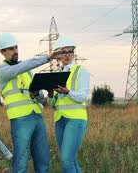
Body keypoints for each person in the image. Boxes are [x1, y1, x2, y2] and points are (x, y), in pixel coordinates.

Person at [0, 32, 62, 173]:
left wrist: (38, 93)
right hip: (20, 120)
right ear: (2, 52)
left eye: (16, 47)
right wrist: (47, 58)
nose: (15, 51)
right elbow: (23, 67)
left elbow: (40, 98)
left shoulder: (26, 71)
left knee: (43, 158)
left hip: (37, 116)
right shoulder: (2, 72)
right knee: (21, 162)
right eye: (11, 49)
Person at [49, 36, 90, 173]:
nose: (67, 55)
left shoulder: (80, 71)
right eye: (63, 52)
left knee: (67, 161)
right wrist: (50, 95)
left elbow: (83, 96)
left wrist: (67, 92)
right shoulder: (56, 74)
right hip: (59, 120)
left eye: (70, 51)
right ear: (58, 55)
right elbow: (54, 104)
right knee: (71, 160)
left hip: (76, 119)